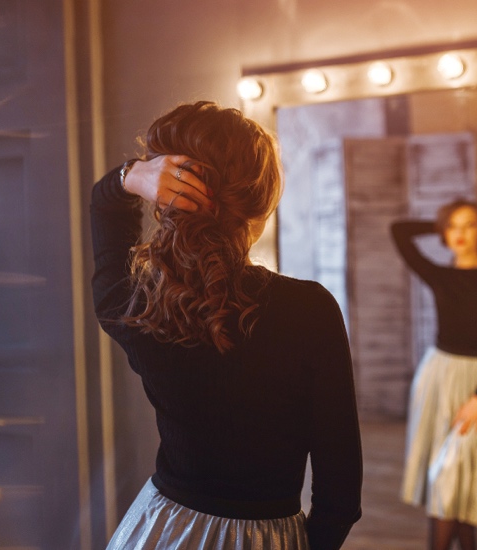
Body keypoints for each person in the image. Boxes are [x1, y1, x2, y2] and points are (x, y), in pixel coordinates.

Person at [90, 101, 362, 550]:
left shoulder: (139, 305)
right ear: (260, 202)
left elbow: (106, 208)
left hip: (159, 532)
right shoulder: (309, 310)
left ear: (165, 198)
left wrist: (131, 175)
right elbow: (341, 494)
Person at [391, 200, 477, 550]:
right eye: (453, 227)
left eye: (469, 225)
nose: (460, 234)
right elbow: (398, 231)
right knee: (446, 487)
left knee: (462, 489)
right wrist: (442, 224)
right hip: (438, 378)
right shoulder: (441, 275)